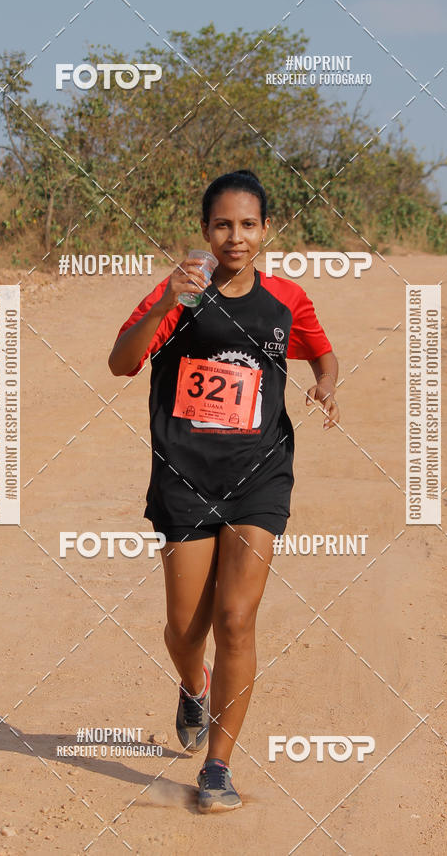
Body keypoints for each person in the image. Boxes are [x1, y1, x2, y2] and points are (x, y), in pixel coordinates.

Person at [108, 170, 339, 813]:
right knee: (186, 628)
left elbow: (322, 353)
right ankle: (192, 683)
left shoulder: (286, 300)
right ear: (205, 230)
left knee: (237, 619)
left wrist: (326, 383)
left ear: (265, 230)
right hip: (184, 475)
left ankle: (217, 767)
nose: (235, 237)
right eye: (222, 225)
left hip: (259, 475)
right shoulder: (177, 294)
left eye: (247, 224)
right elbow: (121, 363)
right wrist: (164, 306)